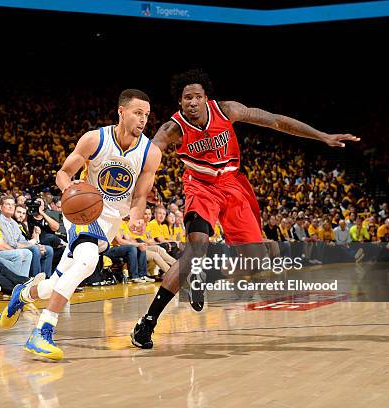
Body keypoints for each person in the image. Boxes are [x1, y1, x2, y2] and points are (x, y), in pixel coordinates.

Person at [131, 69, 359, 349]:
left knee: (256, 260)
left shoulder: (227, 110)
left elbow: (275, 121)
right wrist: (144, 186)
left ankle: (204, 276)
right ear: (180, 102)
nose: (192, 102)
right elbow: (150, 155)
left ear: (206, 98)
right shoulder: (173, 128)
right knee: (195, 249)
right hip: (200, 187)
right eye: (186, 97)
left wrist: (322, 136)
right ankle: (147, 323)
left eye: (197, 97)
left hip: (233, 186)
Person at [0, 89, 162, 361]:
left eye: (146, 114)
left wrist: (135, 217)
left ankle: (23, 293)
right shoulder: (95, 139)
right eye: (137, 113)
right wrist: (69, 189)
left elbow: (140, 197)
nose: (143, 119)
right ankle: (43, 331)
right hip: (82, 211)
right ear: (121, 112)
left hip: (110, 222)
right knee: (86, 261)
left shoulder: (150, 153)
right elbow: (63, 173)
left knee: (56, 284)